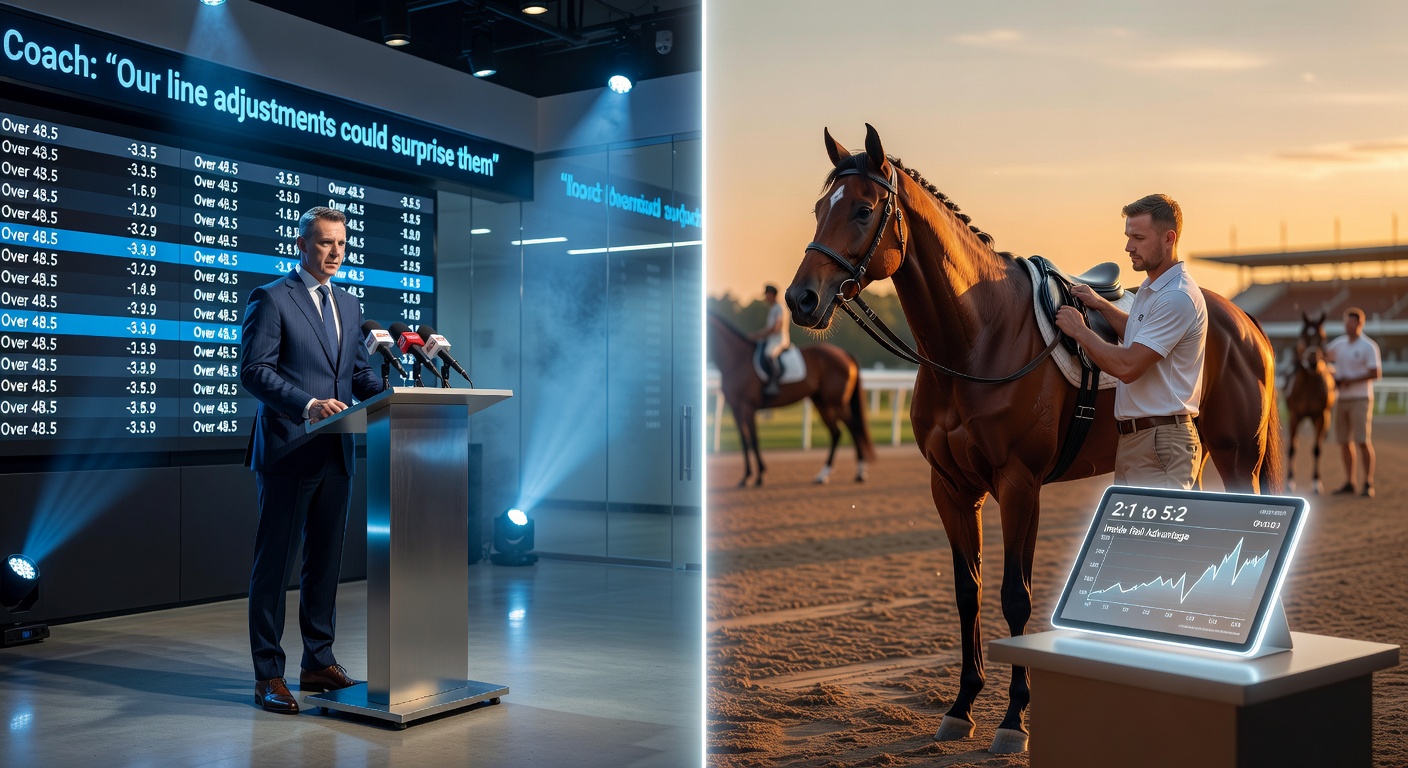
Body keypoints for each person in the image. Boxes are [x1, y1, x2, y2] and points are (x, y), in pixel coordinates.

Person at [240, 206, 385, 713]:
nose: (335, 252)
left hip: (336, 450)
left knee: (324, 563)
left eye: (341, 244)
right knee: (274, 566)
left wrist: (395, 392)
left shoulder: (348, 305)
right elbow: (254, 371)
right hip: (288, 448)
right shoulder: (273, 298)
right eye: (325, 243)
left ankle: (317, 662)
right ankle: (268, 675)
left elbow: (359, 377)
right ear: (302, 245)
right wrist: (306, 404)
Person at [1054, 194, 1208, 489]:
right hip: (1136, 442)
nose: (1128, 247)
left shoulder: (1177, 297)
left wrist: (1081, 331)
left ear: (1169, 239)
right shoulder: (1153, 288)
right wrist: (1102, 305)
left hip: (1161, 444)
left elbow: (1128, 366)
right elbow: (1140, 334)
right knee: (1133, 536)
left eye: (1138, 237)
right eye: (1128, 237)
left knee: (1158, 536)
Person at [1324, 307, 1381, 497]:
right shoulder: (1339, 344)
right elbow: (1322, 357)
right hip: (1342, 399)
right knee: (1344, 442)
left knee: (1362, 441)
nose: (1347, 325)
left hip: (1360, 398)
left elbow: (1375, 372)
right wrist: (1331, 373)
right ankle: (1349, 481)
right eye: (1346, 322)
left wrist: (1349, 379)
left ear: (1359, 323)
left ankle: (1368, 483)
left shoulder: (1368, 346)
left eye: (1351, 322)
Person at [749, 285, 790, 400]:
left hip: (779, 340)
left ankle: (773, 382)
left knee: (768, 354)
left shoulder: (779, 308)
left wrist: (758, 335)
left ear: (771, 295)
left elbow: (776, 328)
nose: (766, 297)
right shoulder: (773, 309)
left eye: (767, 295)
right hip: (772, 339)